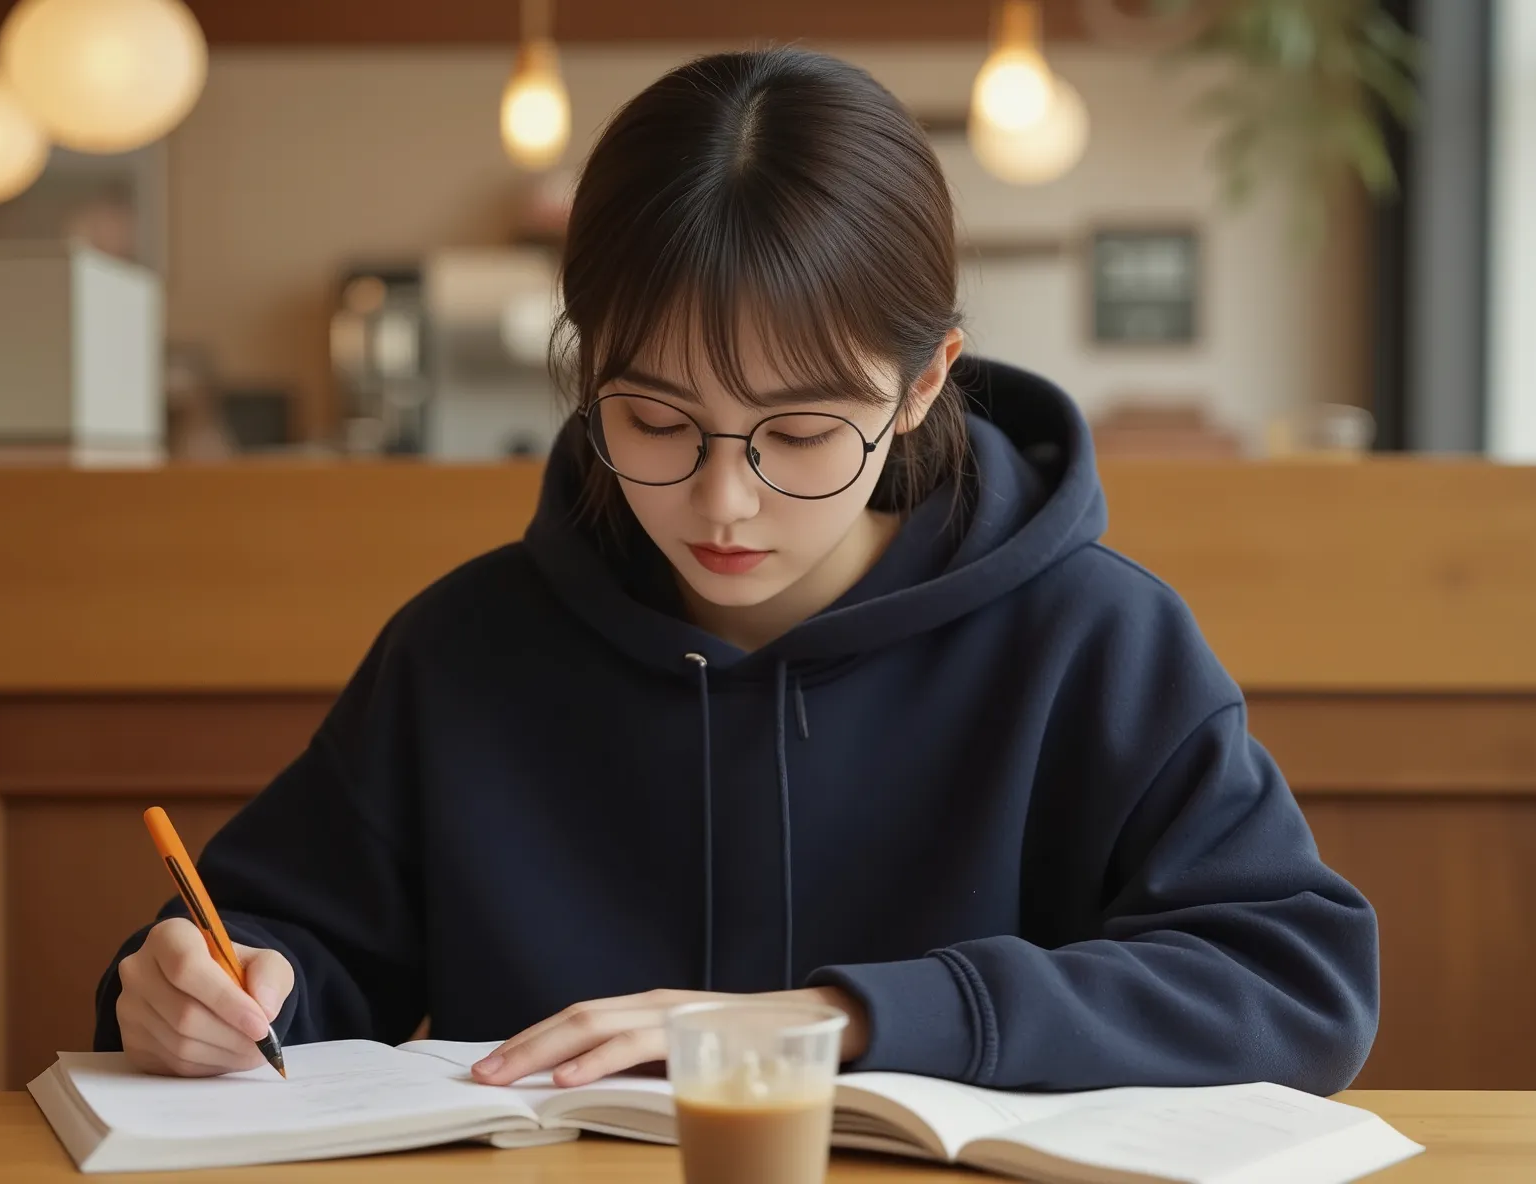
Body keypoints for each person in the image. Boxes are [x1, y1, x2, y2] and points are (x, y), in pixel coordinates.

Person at [95, 47, 1379, 1095]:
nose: (722, 502)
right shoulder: (465, 648)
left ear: (924, 378)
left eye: (803, 434)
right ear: (585, 362)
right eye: (653, 420)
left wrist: (832, 1018)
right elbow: (284, 942)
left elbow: (1287, 978)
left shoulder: (1093, 638)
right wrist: (199, 986)